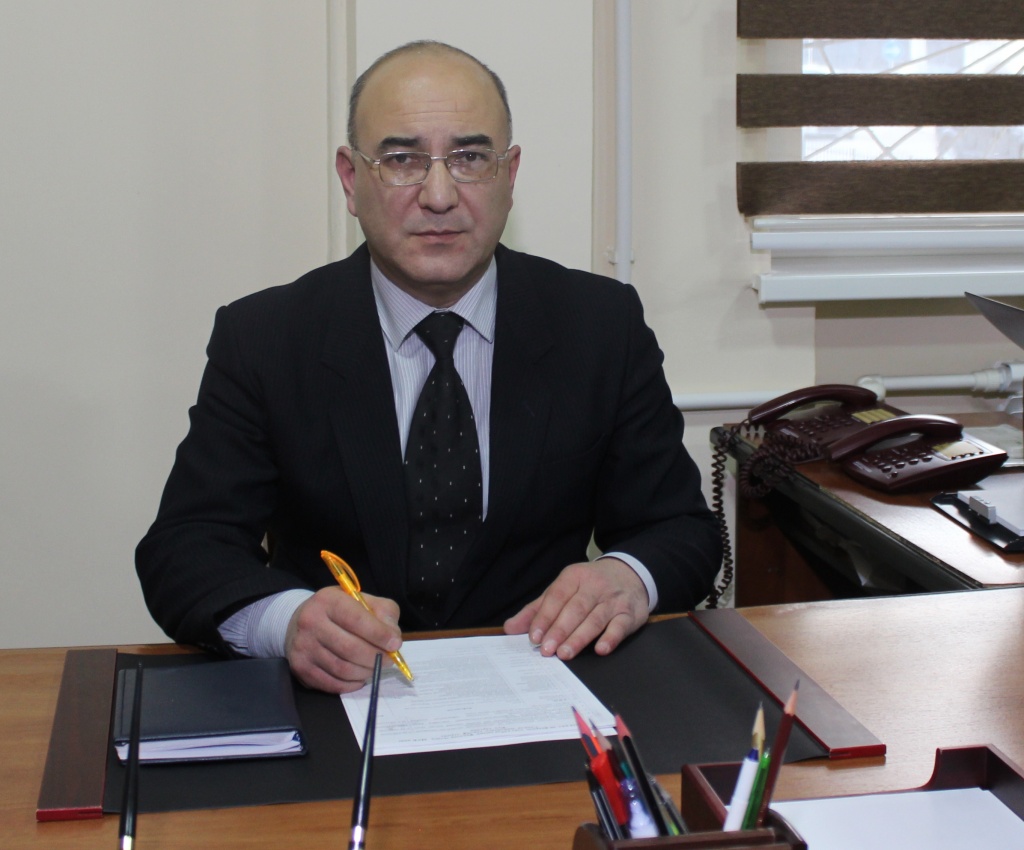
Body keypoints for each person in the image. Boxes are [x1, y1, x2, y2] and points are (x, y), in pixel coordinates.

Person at [136, 40, 721, 694]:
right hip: (340, 703)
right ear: (350, 180)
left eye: (469, 158)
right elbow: (185, 549)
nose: (439, 195)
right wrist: (288, 622)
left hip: (547, 689)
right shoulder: (266, 337)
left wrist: (627, 577)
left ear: (509, 175)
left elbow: (680, 529)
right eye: (401, 160)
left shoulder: (599, 324)